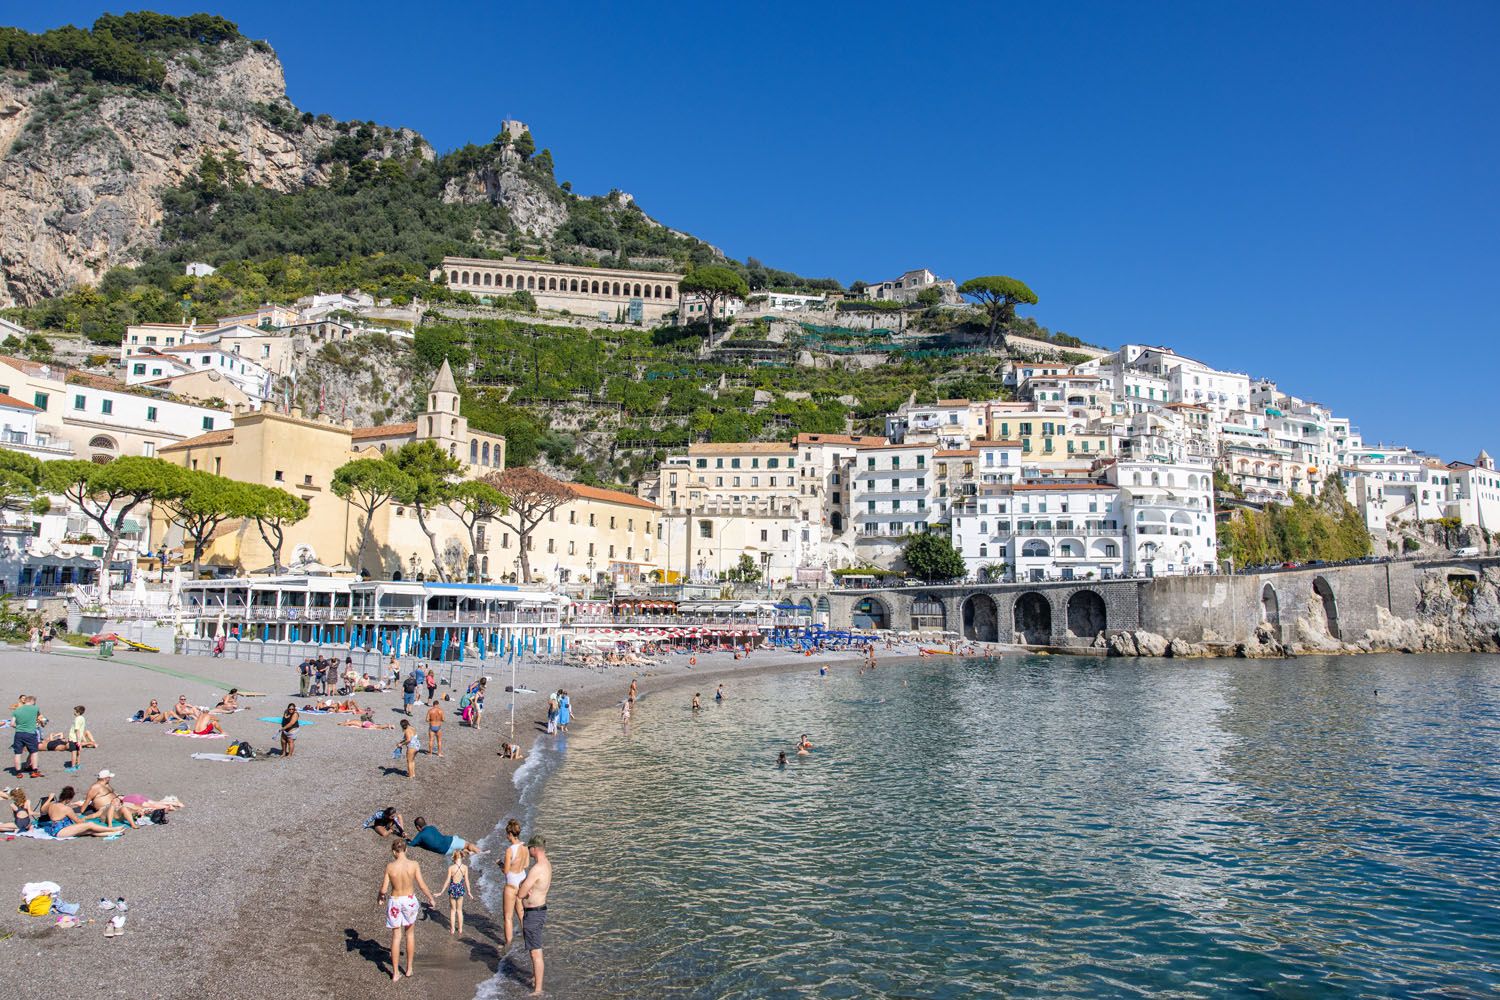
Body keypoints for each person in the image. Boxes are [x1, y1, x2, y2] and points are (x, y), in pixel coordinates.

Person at [378, 840, 437, 982]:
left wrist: (380, 897)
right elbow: (421, 884)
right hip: (409, 900)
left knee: (396, 936)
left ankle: (396, 973)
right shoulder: (414, 865)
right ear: (406, 850)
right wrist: (430, 898)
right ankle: (409, 969)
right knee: (409, 934)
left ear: (394, 852)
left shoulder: (390, 867)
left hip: (395, 900)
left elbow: (384, 889)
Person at [517, 835, 552, 995]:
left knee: (535, 951)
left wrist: (523, 887)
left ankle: (538, 989)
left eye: (530, 848)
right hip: (540, 910)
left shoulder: (537, 868)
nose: (529, 851)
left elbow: (521, 893)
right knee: (534, 948)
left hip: (533, 913)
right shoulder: (547, 865)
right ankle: (534, 977)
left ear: (535, 849)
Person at [37, 785, 116, 838]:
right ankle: (112, 829)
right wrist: (84, 820)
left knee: (90, 832)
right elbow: (78, 821)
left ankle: (111, 833)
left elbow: (42, 809)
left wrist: (50, 798)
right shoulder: (66, 809)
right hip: (61, 831)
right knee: (90, 825)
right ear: (68, 799)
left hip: (53, 830)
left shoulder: (52, 805)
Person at [499, 818, 527, 947]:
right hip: (522, 881)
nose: (506, 837)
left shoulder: (510, 850)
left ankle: (508, 945)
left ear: (510, 834)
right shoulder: (525, 847)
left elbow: (506, 871)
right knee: (521, 913)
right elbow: (526, 864)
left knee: (508, 917)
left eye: (507, 834)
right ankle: (527, 940)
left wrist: (499, 864)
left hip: (511, 884)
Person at [407, 816, 480, 860]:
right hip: (450, 841)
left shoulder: (420, 835)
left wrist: (405, 839)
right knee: (467, 845)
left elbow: (411, 844)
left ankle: (470, 852)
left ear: (417, 827)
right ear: (425, 823)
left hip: (445, 852)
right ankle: (480, 852)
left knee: (463, 850)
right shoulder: (432, 827)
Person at [11, 694, 43, 778]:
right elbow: (40, 717)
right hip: (30, 733)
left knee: (18, 753)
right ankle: (34, 771)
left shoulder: (17, 710)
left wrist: (19, 726)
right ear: (32, 701)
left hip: (18, 733)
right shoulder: (35, 708)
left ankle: (18, 773)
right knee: (34, 752)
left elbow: (12, 724)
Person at [442, 850, 471, 935]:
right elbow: (467, 880)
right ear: (462, 857)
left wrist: (441, 891)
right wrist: (469, 891)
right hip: (460, 888)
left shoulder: (451, 868)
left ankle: (452, 929)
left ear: (454, 858)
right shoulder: (465, 867)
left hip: (453, 888)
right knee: (459, 910)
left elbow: (447, 881)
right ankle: (460, 929)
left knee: (453, 910)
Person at [66, 705, 91, 773]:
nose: (73, 712)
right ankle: (78, 765)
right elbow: (81, 729)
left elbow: (76, 730)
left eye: (74, 711)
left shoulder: (77, 719)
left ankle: (73, 766)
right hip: (78, 739)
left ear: (78, 712)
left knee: (74, 753)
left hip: (74, 739)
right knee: (78, 752)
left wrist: (78, 741)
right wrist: (80, 740)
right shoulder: (82, 718)